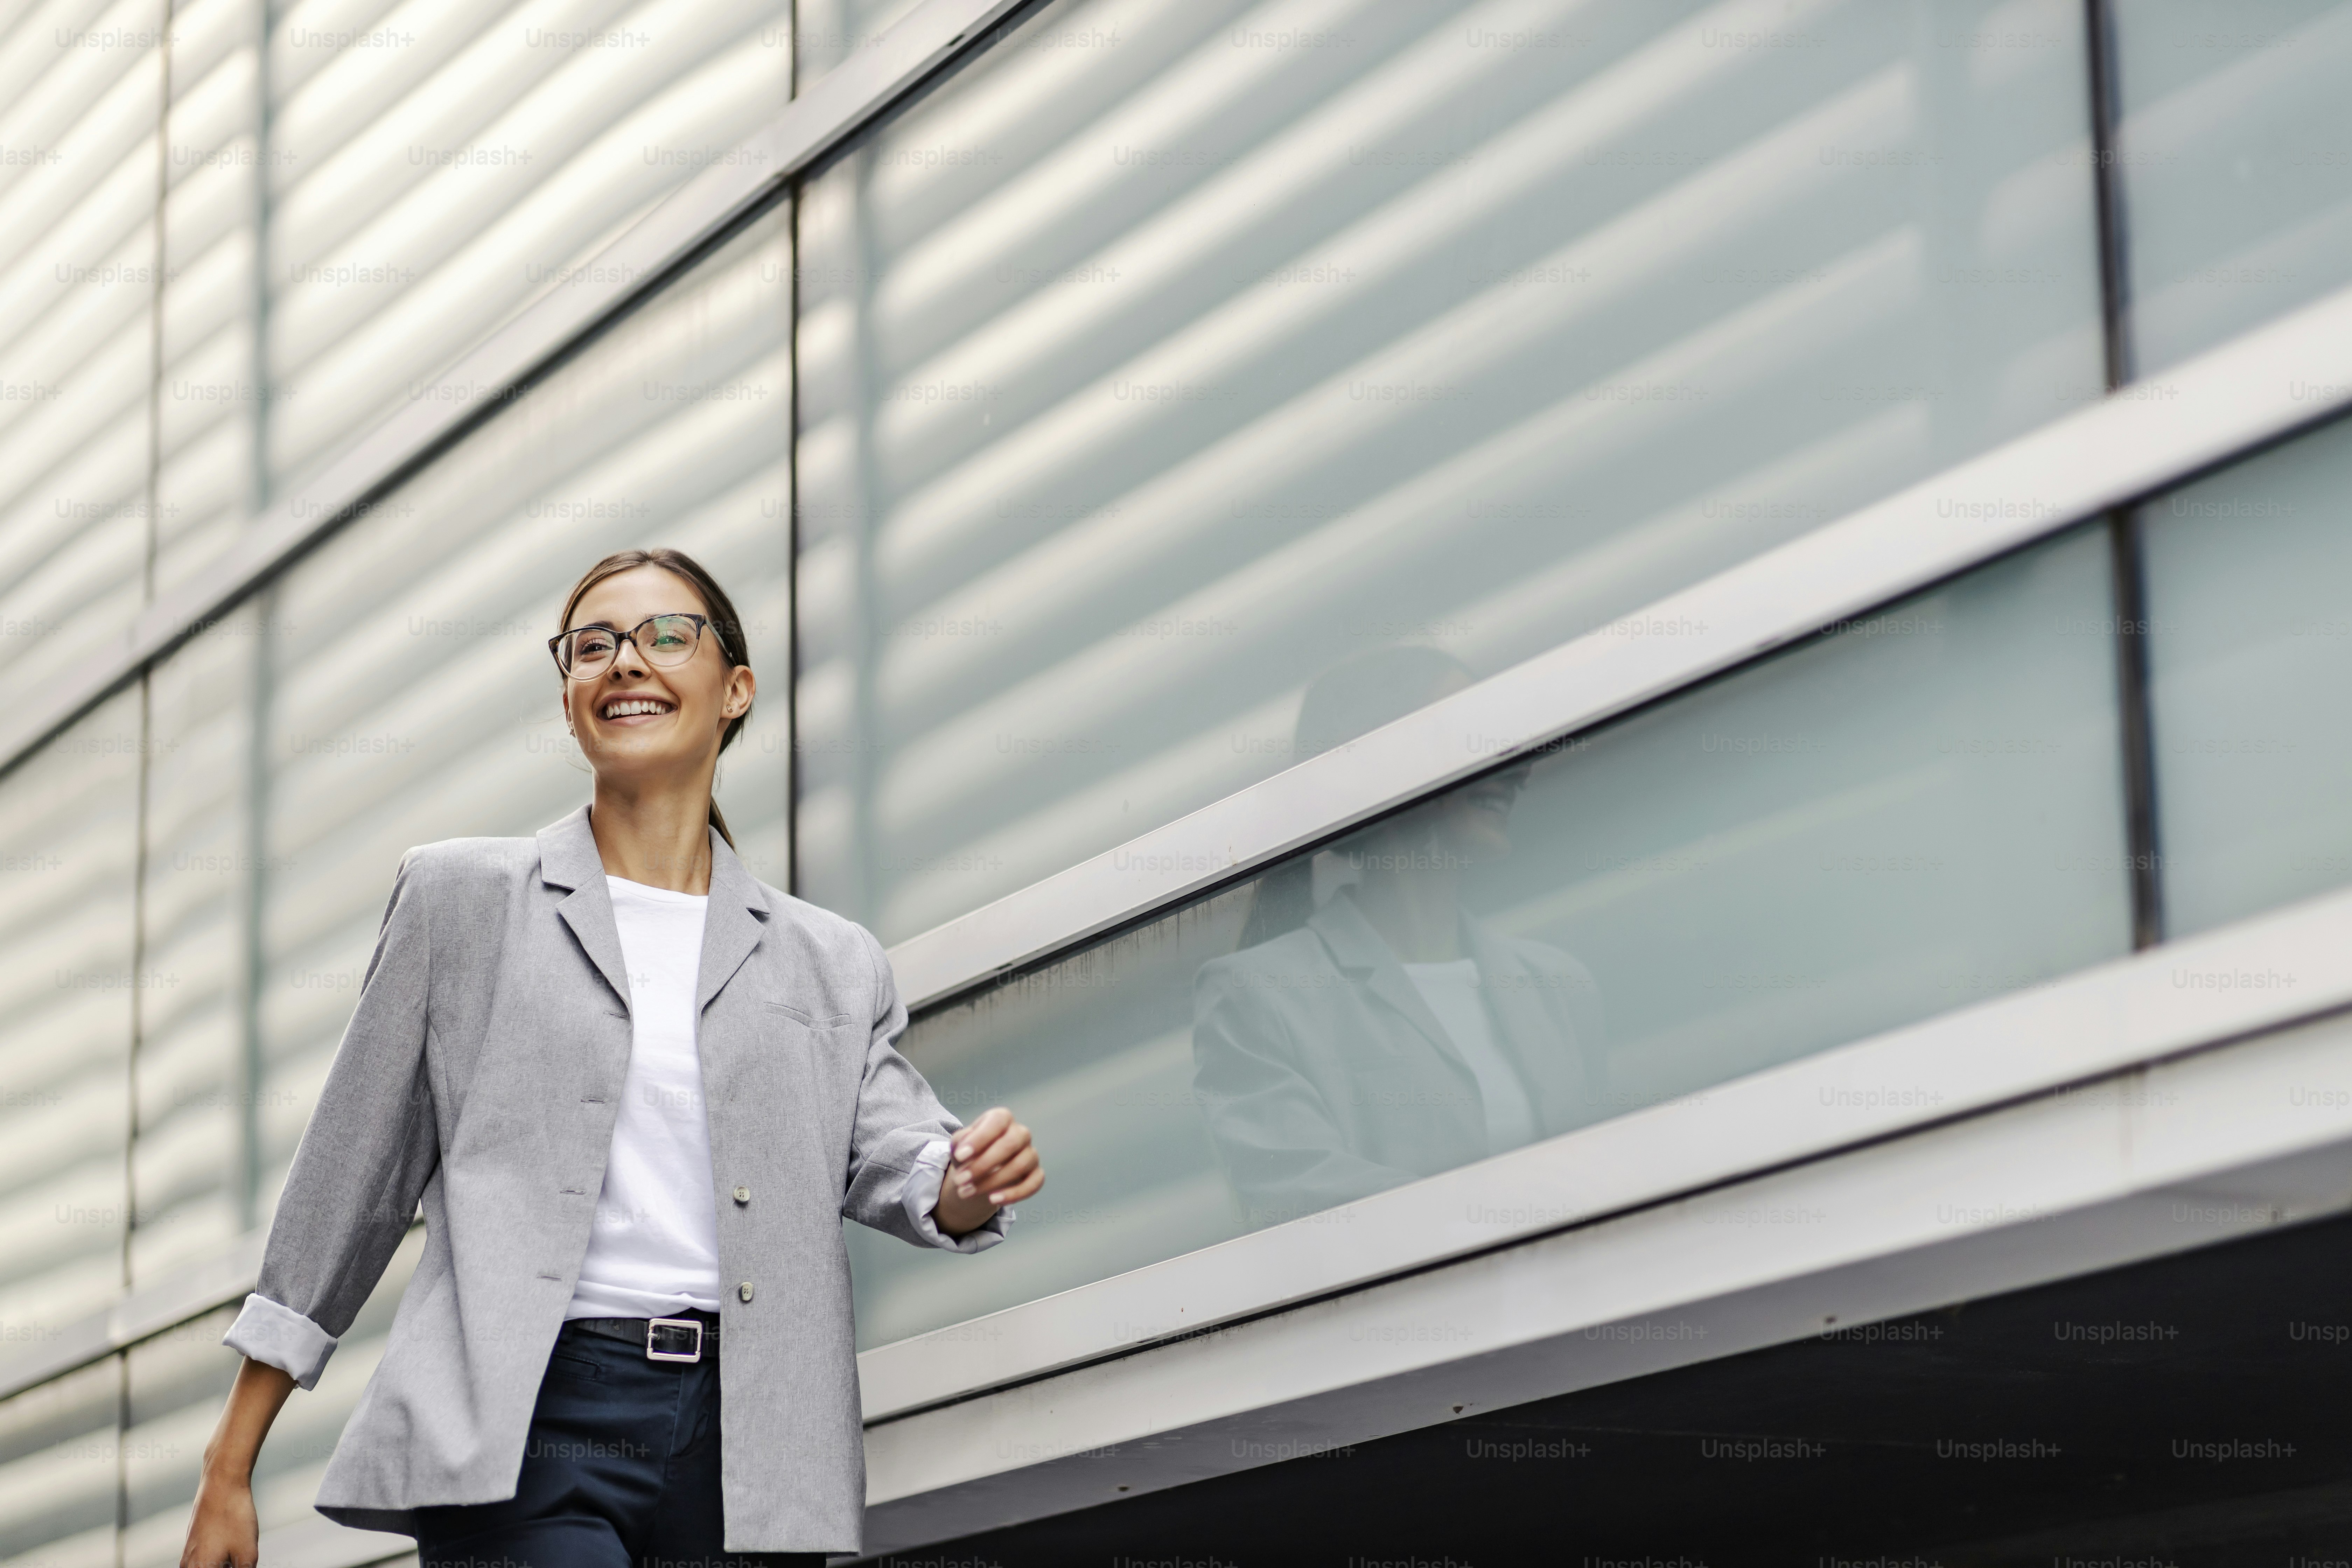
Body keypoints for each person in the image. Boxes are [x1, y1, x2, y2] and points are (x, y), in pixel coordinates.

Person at [179, 548, 1043, 1567]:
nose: (626, 662)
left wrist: (965, 1183)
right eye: (595, 646)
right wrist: (228, 1466)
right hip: (530, 1421)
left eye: (666, 636)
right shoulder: (463, 901)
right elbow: (346, 1187)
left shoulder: (831, 961)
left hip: (752, 1440)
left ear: (735, 690)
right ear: (571, 698)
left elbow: (900, 1157)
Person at [1191, 647, 1604, 1225]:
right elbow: (1302, 1200)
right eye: (1471, 735)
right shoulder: (1259, 997)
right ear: (1378, 768)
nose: (1516, 765)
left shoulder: (1558, 987)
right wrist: (1509, 1202)